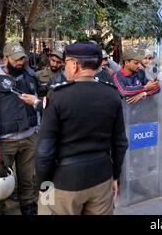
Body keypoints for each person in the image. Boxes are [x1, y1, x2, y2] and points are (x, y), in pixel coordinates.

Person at [35, 42, 128, 214]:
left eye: (66, 63)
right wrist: (115, 176)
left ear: (74, 64)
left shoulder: (57, 97)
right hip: (102, 178)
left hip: (63, 183)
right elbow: (120, 143)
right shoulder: (112, 94)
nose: (64, 68)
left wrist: (43, 184)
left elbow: (44, 150)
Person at [0, 42, 40, 215]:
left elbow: (36, 104)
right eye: (16, 59)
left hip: (29, 138)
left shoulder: (29, 76)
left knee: (28, 183)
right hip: (4, 142)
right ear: (5, 59)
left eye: (22, 59)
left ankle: (28, 211)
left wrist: (37, 131)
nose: (20, 62)